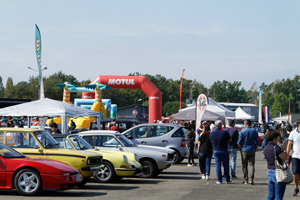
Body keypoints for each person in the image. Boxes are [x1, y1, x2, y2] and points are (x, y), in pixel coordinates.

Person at [263, 129, 288, 200]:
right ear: (274, 138)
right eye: (277, 137)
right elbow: (285, 158)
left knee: (271, 195)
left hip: (269, 172)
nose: (278, 139)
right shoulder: (276, 147)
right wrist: (285, 150)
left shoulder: (266, 148)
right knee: (278, 197)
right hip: (278, 173)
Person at [238, 120, 260, 185]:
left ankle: (246, 179)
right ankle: (251, 179)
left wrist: (240, 149)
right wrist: (255, 149)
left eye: (244, 123)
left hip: (244, 149)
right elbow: (257, 142)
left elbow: (239, 142)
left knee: (244, 165)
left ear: (246, 124)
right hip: (252, 149)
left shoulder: (242, 131)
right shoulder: (254, 131)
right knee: (252, 165)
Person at [209, 120, 231, 184]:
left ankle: (219, 180)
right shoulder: (225, 132)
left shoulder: (212, 133)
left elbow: (210, 141)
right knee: (226, 165)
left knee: (218, 166)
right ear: (221, 125)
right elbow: (230, 139)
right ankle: (227, 179)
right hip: (224, 150)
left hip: (216, 150)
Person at [287, 119, 300, 196]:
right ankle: (296, 187)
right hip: (295, 156)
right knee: (295, 172)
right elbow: (289, 144)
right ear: (299, 124)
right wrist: (287, 155)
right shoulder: (293, 133)